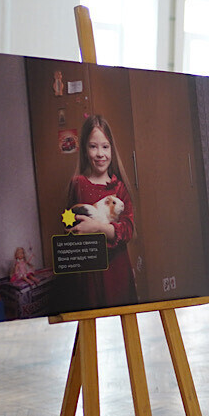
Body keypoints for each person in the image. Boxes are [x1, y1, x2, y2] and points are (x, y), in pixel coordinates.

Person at [67, 114, 138, 309]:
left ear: (111, 149)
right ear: (84, 150)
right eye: (93, 146)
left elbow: (127, 230)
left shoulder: (119, 188)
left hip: (117, 272)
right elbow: (68, 225)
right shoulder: (77, 185)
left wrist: (98, 227)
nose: (100, 153)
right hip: (89, 274)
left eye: (105, 147)